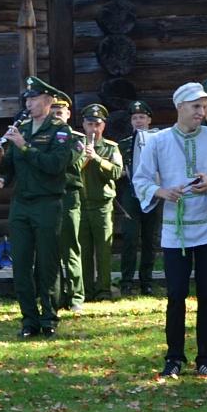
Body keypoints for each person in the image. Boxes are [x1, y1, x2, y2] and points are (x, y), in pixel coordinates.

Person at [131, 82, 207, 377]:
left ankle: (206, 358)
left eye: (204, 106)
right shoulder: (159, 141)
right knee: (176, 294)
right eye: (196, 107)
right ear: (180, 107)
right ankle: (174, 357)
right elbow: (140, 180)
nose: (202, 112)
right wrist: (161, 192)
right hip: (175, 230)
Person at [0, 76, 80, 338]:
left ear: (48, 101)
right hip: (21, 204)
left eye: (34, 99)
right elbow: (9, 168)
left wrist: (24, 146)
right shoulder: (24, 128)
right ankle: (28, 319)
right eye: (27, 99)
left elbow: (54, 166)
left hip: (47, 203)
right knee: (20, 263)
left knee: (47, 264)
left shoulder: (60, 131)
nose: (28, 103)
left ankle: (48, 317)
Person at [77, 103, 124, 300]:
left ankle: (104, 290)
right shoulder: (76, 145)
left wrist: (96, 158)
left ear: (103, 126)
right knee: (84, 251)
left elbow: (117, 172)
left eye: (97, 125)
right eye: (89, 124)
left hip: (102, 205)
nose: (93, 129)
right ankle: (86, 291)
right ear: (84, 125)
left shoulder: (111, 147)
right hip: (80, 205)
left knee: (103, 250)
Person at [117, 101, 161, 295]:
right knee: (130, 238)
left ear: (149, 119)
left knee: (150, 239)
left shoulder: (159, 140)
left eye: (142, 117)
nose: (138, 121)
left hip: (154, 193)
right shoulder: (124, 143)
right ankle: (126, 281)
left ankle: (146, 281)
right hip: (131, 194)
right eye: (135, 118)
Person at [52, 92, 86, 312]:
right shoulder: (43, 137)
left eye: (60, 113)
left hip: (69, 195)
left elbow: (69, 159)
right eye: (53, 113)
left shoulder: (77, 138)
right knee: (50, 248)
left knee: (70, 247)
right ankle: (56, 295)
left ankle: (76, 296)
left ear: (68, 114)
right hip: (49, 196)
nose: (56, 116)